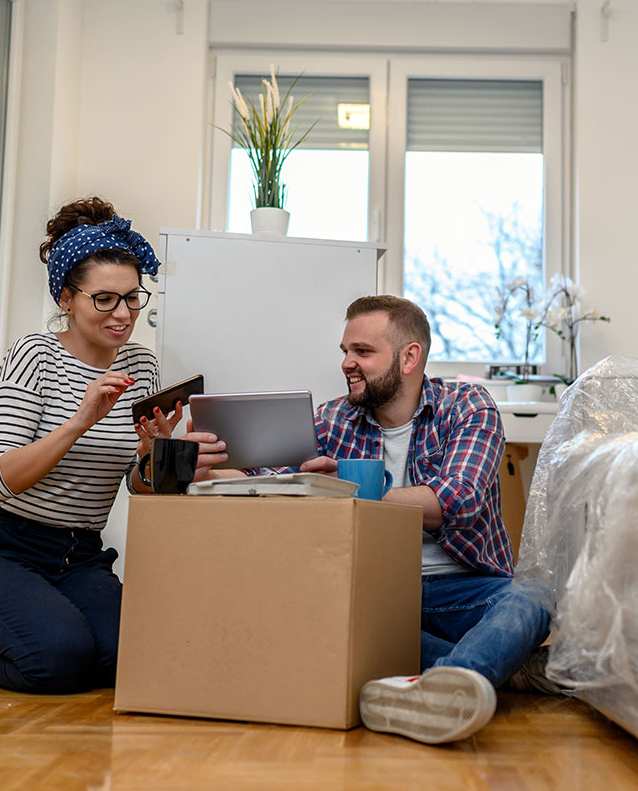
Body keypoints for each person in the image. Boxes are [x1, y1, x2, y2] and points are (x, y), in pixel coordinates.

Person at [205, 294, 550, 743]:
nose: (347, 363)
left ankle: (442, 688)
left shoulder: (467, 405)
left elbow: (459, 499)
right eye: (345, 352)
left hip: (461, 587)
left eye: (362, 352)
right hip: (374, 592)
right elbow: (263, 477)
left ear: (410, 357)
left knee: (536, 596)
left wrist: (353, 494)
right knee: (316, 612)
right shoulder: (333, 419)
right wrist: (204, 465)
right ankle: (490, 671)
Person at [0, 197, 226, 694]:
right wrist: (81, 420)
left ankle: (44, 625)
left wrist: (157, 454)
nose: (123, 313)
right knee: (59, 662)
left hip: (81, 555)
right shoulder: (34, 355)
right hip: (2, 549)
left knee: (127, 661)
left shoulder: (142, 365)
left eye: (133, 298)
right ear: (66, 298)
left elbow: (138, 487)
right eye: (105, 299)